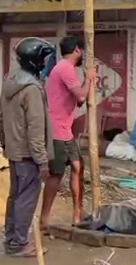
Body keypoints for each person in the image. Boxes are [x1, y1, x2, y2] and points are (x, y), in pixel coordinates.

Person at [0, 37, 54, 257]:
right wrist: (42, 160)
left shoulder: (9, 81)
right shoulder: (32, 89)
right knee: (27, 198)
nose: (47, 63)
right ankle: (20, 243)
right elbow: (36, 127)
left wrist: (4, 143)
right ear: (35, 61)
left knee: (15, 196)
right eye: (44, 59)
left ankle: (11, 239)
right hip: (28, 154)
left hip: (14, 150)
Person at [41, 36, 97, 229]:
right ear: (76, 50)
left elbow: (79, 100)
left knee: (76, 166)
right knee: (56, 174)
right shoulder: (65, 68)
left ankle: (77, 214)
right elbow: (81, 95)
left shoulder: (64, 69)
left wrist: (87, 82)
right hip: (56, 130)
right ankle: (44, 219)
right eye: (81, 51)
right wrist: (89, 78)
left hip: (65, 130)